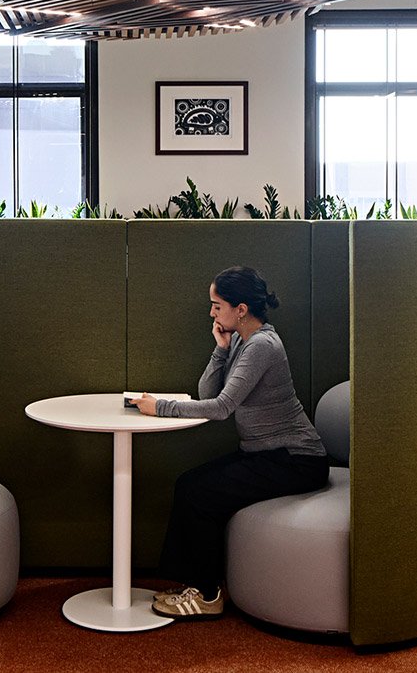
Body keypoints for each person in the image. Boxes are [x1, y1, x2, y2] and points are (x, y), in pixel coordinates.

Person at [131, 266, 330, 620]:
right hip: (265, 454)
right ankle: (195, 583)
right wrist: (221, 349)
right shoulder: (240, 339)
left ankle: (207, 596)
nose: (211, 313)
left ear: (241, 309)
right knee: (189, 484)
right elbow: (209, 393)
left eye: (217, 305)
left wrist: (158, 407)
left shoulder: (263, 346)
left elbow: (220, 408)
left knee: (201, 494)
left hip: (296, 459)